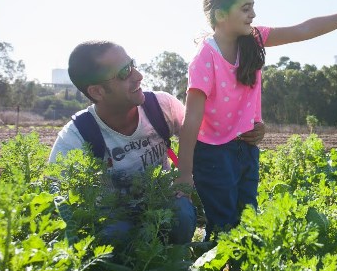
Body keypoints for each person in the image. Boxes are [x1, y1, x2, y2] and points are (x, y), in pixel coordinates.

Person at [175, 0, 337, 241]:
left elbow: (303, 30)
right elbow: (191, 121)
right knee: (223, 227)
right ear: (221, 14)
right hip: (213, 155)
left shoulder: (255, 39)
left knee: (248, 223)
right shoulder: (205, 58)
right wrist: (184, 175)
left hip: (246, 147)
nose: (253, 14)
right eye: (245, 8)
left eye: (253, 6)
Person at [48, 40, 265, 245]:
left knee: (181, 214)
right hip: (115, 219)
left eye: (132, 65)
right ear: (97, 91)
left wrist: (248, 127)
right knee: (116, 234)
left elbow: (208, 136)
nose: (139, 76)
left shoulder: (161, 107)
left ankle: (175, 261)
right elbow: (56, 201)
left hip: (163, 208)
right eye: (125, 73)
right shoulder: (77, 137)